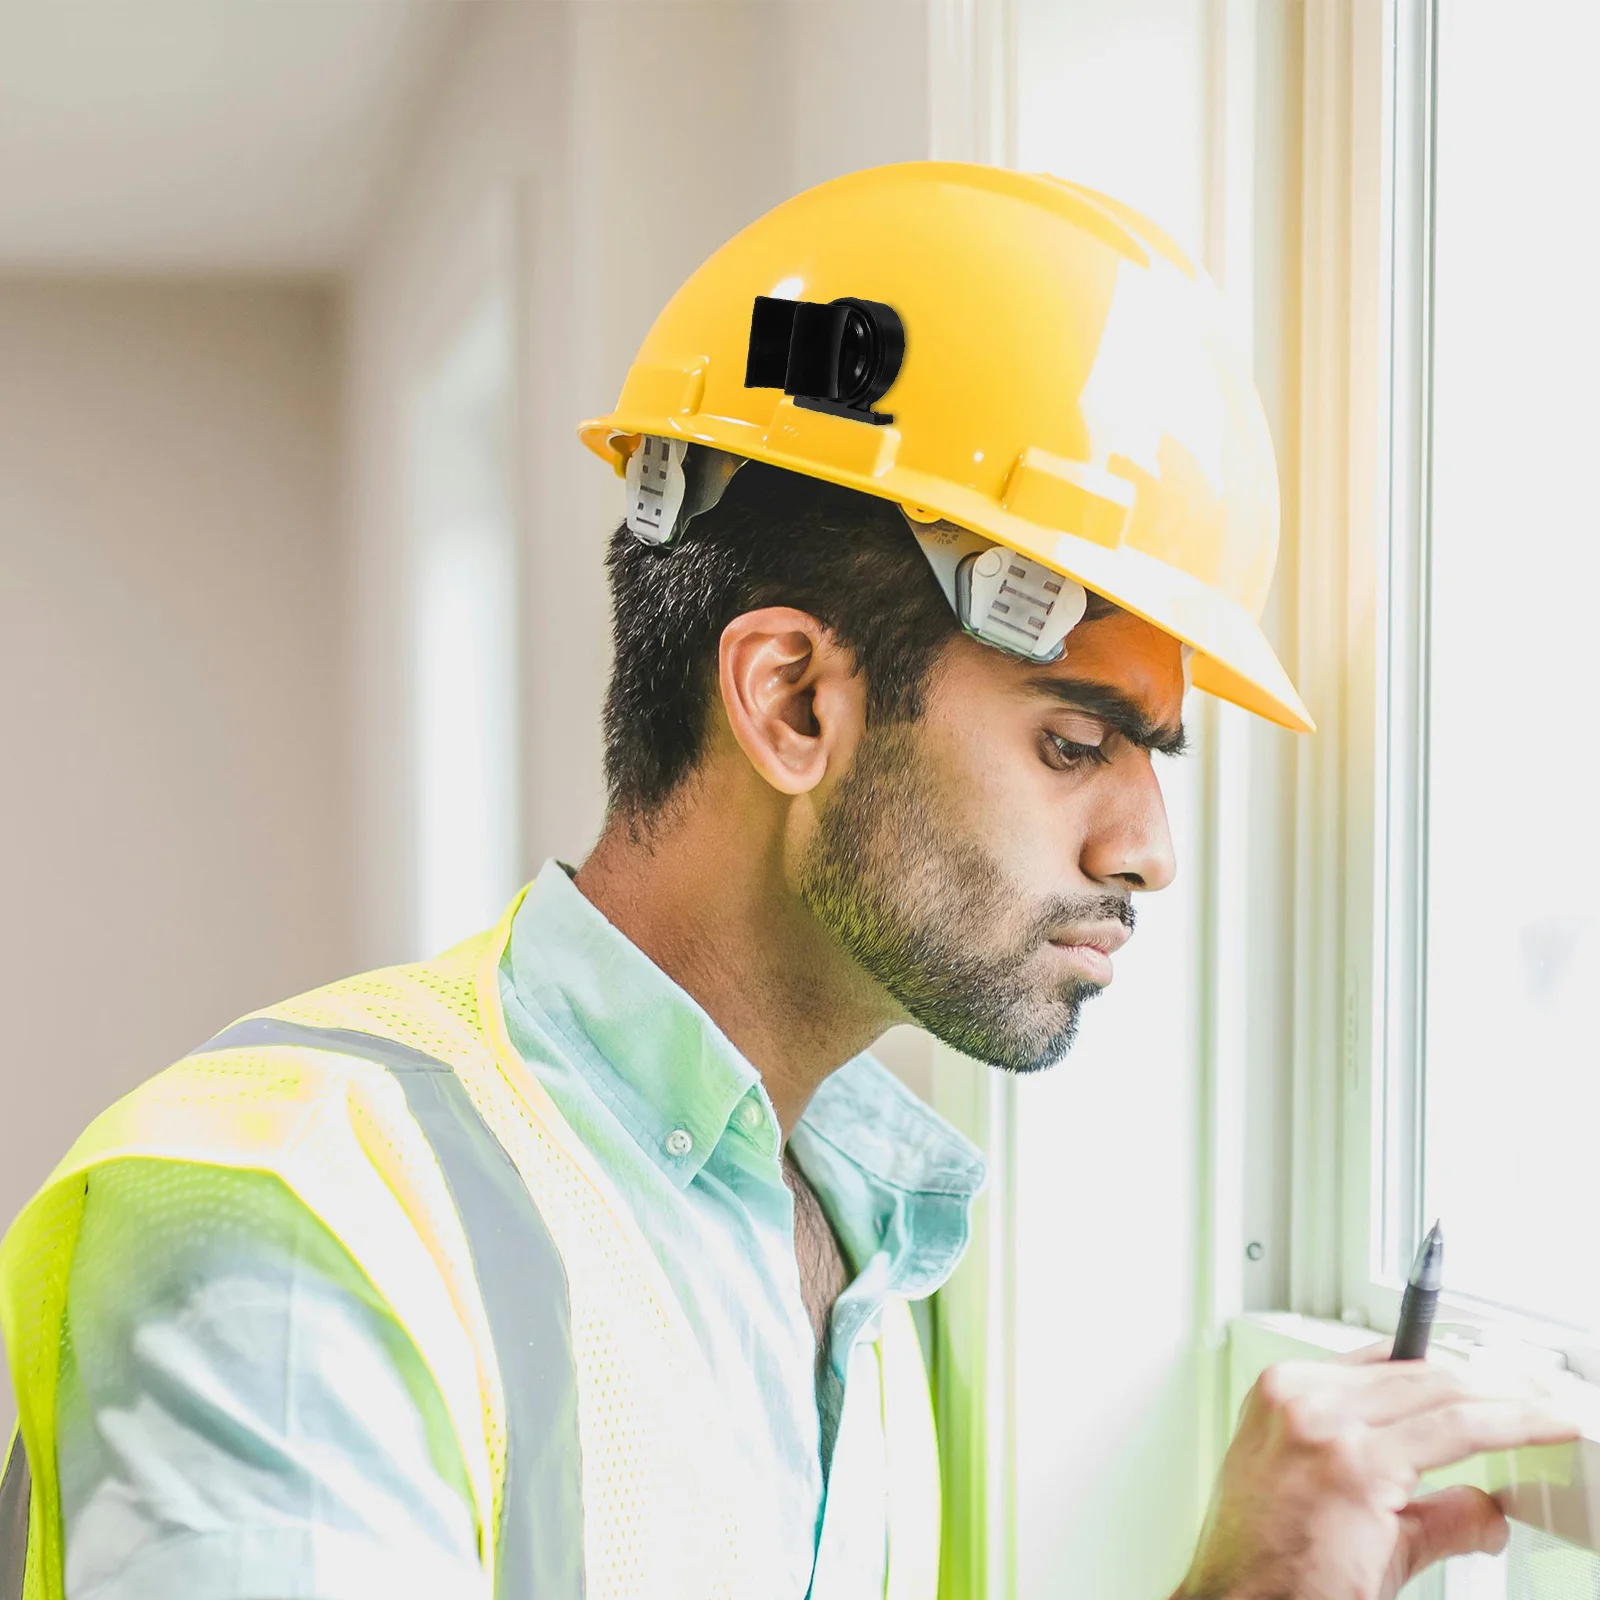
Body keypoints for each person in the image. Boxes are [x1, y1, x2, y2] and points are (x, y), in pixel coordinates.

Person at [0, 162, 1572, 1600]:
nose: (1145, 849)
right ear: (795, 704)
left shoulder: (879, 1251)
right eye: (1078, 741)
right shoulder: (293, 1222)